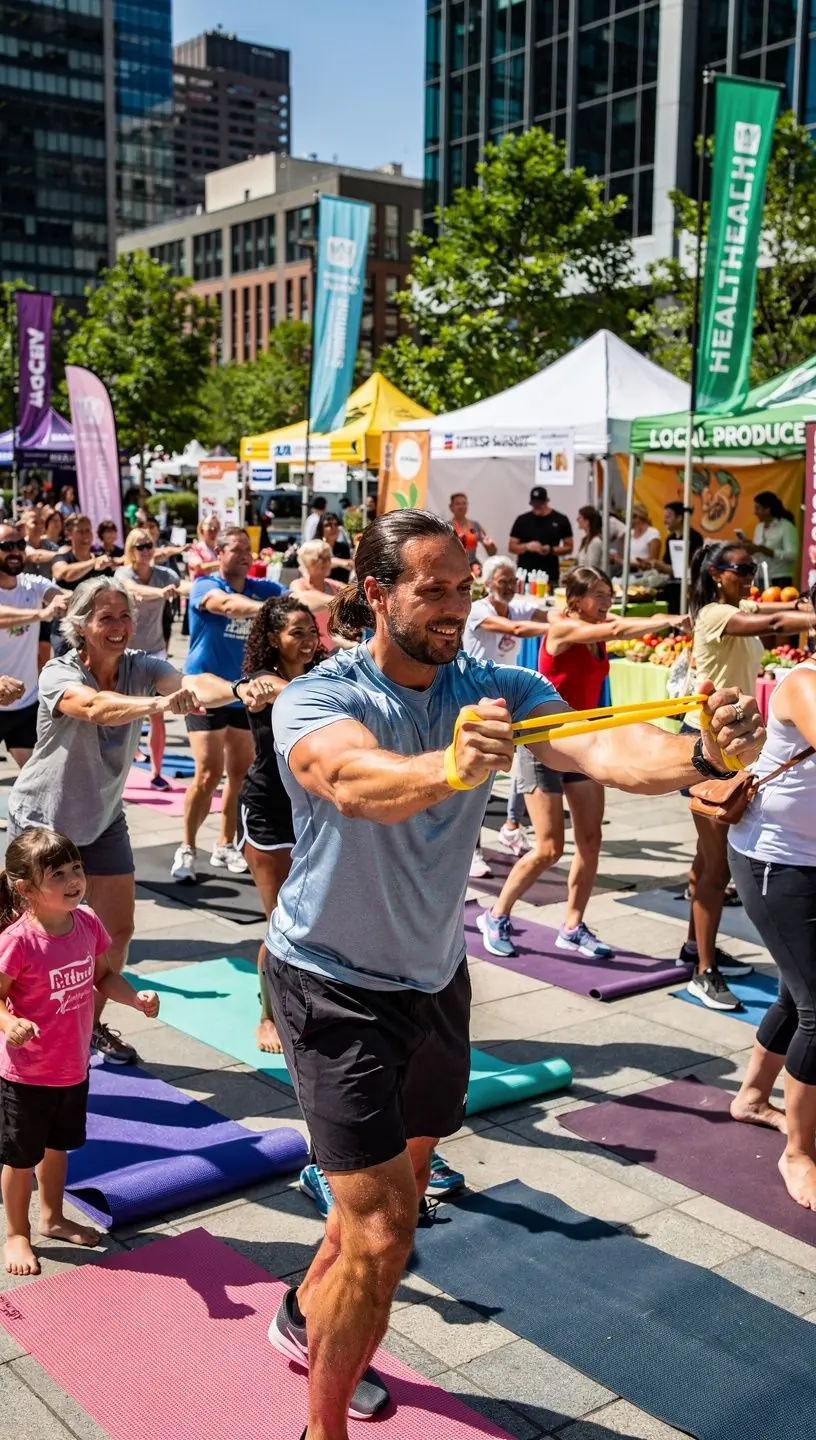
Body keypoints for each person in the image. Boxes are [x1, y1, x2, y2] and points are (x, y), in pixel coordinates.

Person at [262, 508, 762, 1440]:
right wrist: (448, 764)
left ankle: (303, 1311)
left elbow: (603, 747)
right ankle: (319, 1431)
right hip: (328, 982)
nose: (457, 606)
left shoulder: (498, 684)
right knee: (381, 1233)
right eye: (433, 590)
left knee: (386, 1205)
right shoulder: (321, 694)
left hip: (432, 979)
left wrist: (705, 753)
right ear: (377, 594)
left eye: (463, 585)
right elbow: (349, 780)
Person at [7, 577, 239, 1064]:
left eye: (125, 616)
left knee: (117, 932)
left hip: (104, 818)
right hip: (43, 824)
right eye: (106, 617)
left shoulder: (143, 665)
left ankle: (86, 1026)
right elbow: (93, 708)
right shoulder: (59, 672)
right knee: (24, 939)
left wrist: (236, 687)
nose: (119, 627)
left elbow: (193, 684)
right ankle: (18, 1030)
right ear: (81, 625)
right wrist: (159, 704)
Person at [477, 566, 690, 960]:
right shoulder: (563, 628)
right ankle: (496, 914)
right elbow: (614, 630)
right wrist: (671, 619)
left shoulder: (596, 632)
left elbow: (613, 627)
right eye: (598, 594)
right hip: (542, 744)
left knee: (591, 841)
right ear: (575, 601)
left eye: (609, 593)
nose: (607, 602)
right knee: (549, 848)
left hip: (584, 745)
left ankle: (572, 925)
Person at [0, 828, 161, 1277]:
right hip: (26, 1073)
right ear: (27, 889)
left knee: (59, 1148)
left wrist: (134, 999)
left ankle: (51, 1217)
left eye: (77, 869)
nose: (74, 879)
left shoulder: (87, 922)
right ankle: (17, 1233)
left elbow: (104, 976)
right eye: (58, 874)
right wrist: (11, 1023)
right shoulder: (18, 941)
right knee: (20, 1159)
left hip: (72, 1067)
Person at [681, 542, 812, 1009]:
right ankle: (704, 972)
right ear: (716, 574)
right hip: (707, 746)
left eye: (752, 567)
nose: (749, 576)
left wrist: (804, 604)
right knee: (716, 865)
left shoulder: (738, 604)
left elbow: (781, 608)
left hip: (738, 743)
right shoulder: (714, 613)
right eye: (740, 569)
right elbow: (778, 622)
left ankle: (697, 945)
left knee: (708, 860)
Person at [727, 636, 816, 1209]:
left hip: (808, 856)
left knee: (796, 989)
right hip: (775, 860)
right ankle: (800, 1153)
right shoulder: (807, 684)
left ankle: (753, 1097)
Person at [234, 598, 325, 1056]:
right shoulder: (261, 681)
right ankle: (266, 1017)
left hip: (314, 811)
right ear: (273, 639)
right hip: (269, 812)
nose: (308, 641)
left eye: (311, 631)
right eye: (296, 633)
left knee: (318, 920)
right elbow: (267, 689)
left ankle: (312, 1003)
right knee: (280, 923)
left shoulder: (324, 673)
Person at [171, 527, 285, 884]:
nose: (243, 556)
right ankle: (187, 847)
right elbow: (226, 606)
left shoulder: (262, 588)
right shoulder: (207, 585)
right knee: (207, 772)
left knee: (240, 774)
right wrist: (269, 611)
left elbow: (295, 600)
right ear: (218, 554)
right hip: (204, 690)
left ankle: (225, 843)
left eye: (247, 550)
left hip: (243, 692)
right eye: (235, 550)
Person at [462, 554, 549, 873]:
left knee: (519, 763)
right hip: (474, 700)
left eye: (513, 581)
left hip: (507, 698)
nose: (510, 587)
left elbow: (544, 614)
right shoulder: (478, 610)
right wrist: (559, 626)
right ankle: (471, 849)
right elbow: (514, 628)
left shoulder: (519, 605)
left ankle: (511, 826)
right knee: (477, 777)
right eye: (503, 581)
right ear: (487, 584)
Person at [118, 527, 181, 790]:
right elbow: (133, 589)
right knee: (125, 715)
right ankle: (120, 767)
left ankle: (156, 772)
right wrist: (162, 593)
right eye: (139, 547)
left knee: (158, 713)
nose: (145, 551)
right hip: (125, 655)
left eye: (148, 546)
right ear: (131, 551)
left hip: (154, 652)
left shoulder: (164, 574)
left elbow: (183, 584)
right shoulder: (123, 574)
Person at [0, 524, 67, 767]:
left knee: (32, 776)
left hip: (25, 704)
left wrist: (63, 600)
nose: (16, 552)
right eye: (7, 547)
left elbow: (60, 595)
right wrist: (41, 614)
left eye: (20, 545)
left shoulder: (32, 583)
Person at [289, 540, 353, 655]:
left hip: (327, 653)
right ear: (308, 561)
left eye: (328, 558)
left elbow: (355, 596)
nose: (327, 562)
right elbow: (305, 599)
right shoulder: (298, 585)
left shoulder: (333, 586)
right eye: (320, 558)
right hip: (304, 652)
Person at [509, 486, 572, 593]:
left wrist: (551, 550)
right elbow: (511, 547)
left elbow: (569, 547)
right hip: (526, 576)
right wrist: (527, 546)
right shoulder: (522, 520)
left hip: (550, 574)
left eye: (540, 505)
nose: (537, 508)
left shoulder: (560, 519)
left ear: (547, 501)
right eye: (534, 505)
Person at [744, 491, 799, 587]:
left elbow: (792, 555)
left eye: (758, 508)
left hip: (780, 578)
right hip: (760, 578)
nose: (755, 513)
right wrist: (751, 549)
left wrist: (769, 551)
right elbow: (758, 553)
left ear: (767, 510)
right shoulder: (759, 527)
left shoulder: (786, 527)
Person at [449, 492, 497, 562]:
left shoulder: (475, 525)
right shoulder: (446, 527)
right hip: (453, 566)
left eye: (464, 503)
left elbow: (492, 553)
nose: (461, 506)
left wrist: (491, 546)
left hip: (472, 566)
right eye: (458, 504)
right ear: (451, 507)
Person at [316, 512, 354, 582]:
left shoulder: (344, 548)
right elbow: (317, 566)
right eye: (328, 525)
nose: (333, 527)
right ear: (321, 529)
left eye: (336, 524)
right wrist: (341, 562)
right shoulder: (315, 547)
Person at [186, 517, 221, 581]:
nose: (213, 533)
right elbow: (199, 567)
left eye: (215, 529)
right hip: (203, 584)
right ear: (202, 531)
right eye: (210, 530)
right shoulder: (195, 548)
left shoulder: (221, 548)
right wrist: (222, 563)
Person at [629, 503, 661, 572]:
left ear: (637, 516)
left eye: (631, 516)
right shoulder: (630, 533)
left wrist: (631, 563)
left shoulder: (653, 533)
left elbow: (652, 560)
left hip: (646, 573)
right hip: (630, 572)